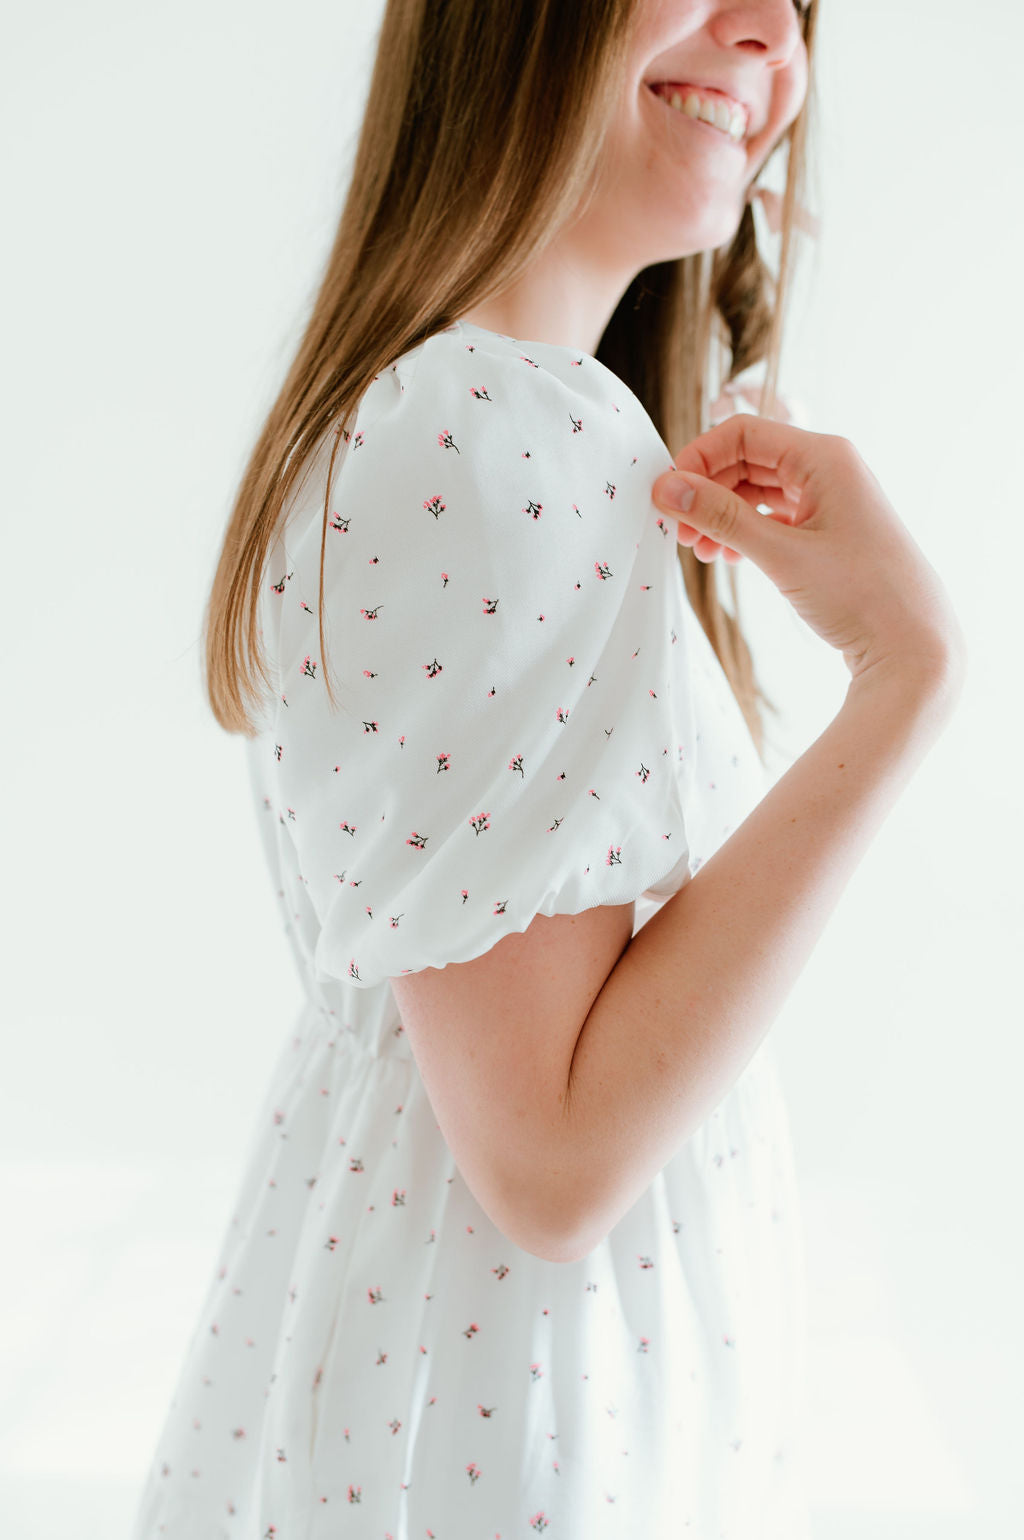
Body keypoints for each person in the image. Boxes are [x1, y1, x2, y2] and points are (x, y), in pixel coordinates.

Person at [129, 0, 967, 1535]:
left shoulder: (476, 413)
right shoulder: (487, 430)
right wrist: (905, 680)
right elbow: (552, 1160)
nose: (769, 32)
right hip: (515, 1428)